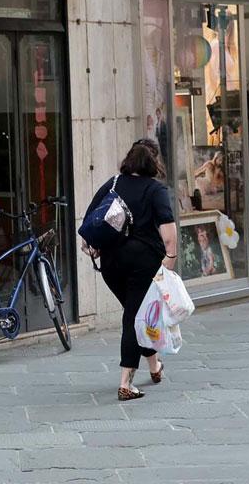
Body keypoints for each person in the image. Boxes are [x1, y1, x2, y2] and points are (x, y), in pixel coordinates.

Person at [81, 139, 178, 401]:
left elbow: (90, 219)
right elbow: (168, 231)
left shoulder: (112, 184)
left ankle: (155, 367)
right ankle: (126, 383)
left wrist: (92, 246)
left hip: (112, 264)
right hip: (143, 263)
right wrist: (171, 257)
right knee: (134, 318)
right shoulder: (155, 190)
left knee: (138, 314)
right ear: (153, 163)